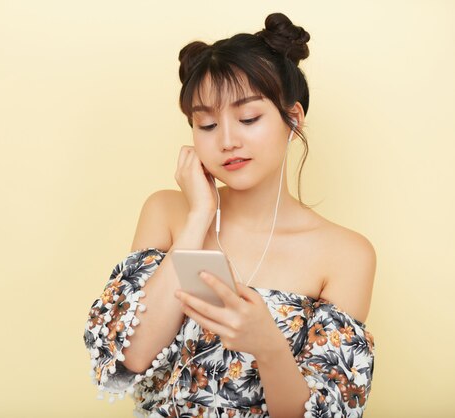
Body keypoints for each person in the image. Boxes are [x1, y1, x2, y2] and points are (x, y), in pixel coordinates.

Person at [83, 12, 376, 418]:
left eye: (248, 118)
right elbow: (124, 363)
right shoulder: (168, 212)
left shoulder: (345, 254)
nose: (226, 141)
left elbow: (323, 412)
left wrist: (267, 344)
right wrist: (199, 214)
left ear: (293, 118)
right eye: (206, 124)